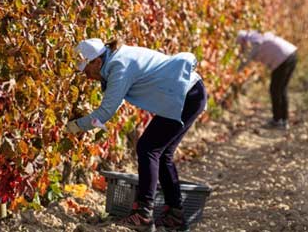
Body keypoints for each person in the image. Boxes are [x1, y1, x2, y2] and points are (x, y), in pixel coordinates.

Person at [66, 38, 207, 232]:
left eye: (86, 70)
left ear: (97, 62)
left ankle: (143, 214)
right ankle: (175, 215)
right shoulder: (117, 60)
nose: (86, 76)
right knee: (161, 153)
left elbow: (105, 113)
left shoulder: (119, 66)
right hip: (189, 92)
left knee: (147, 148)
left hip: (187, 95)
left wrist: (72, 127)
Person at [236, 30, 297, 129]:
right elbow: (247, 51)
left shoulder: (255, 40)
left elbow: (250, 55)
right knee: (281, 89)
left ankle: (278, 120)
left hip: (283, 60)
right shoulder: (257, 36)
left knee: (276, 90)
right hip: (290, 56)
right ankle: (283, 120)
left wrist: (238, 69)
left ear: (243, 40)